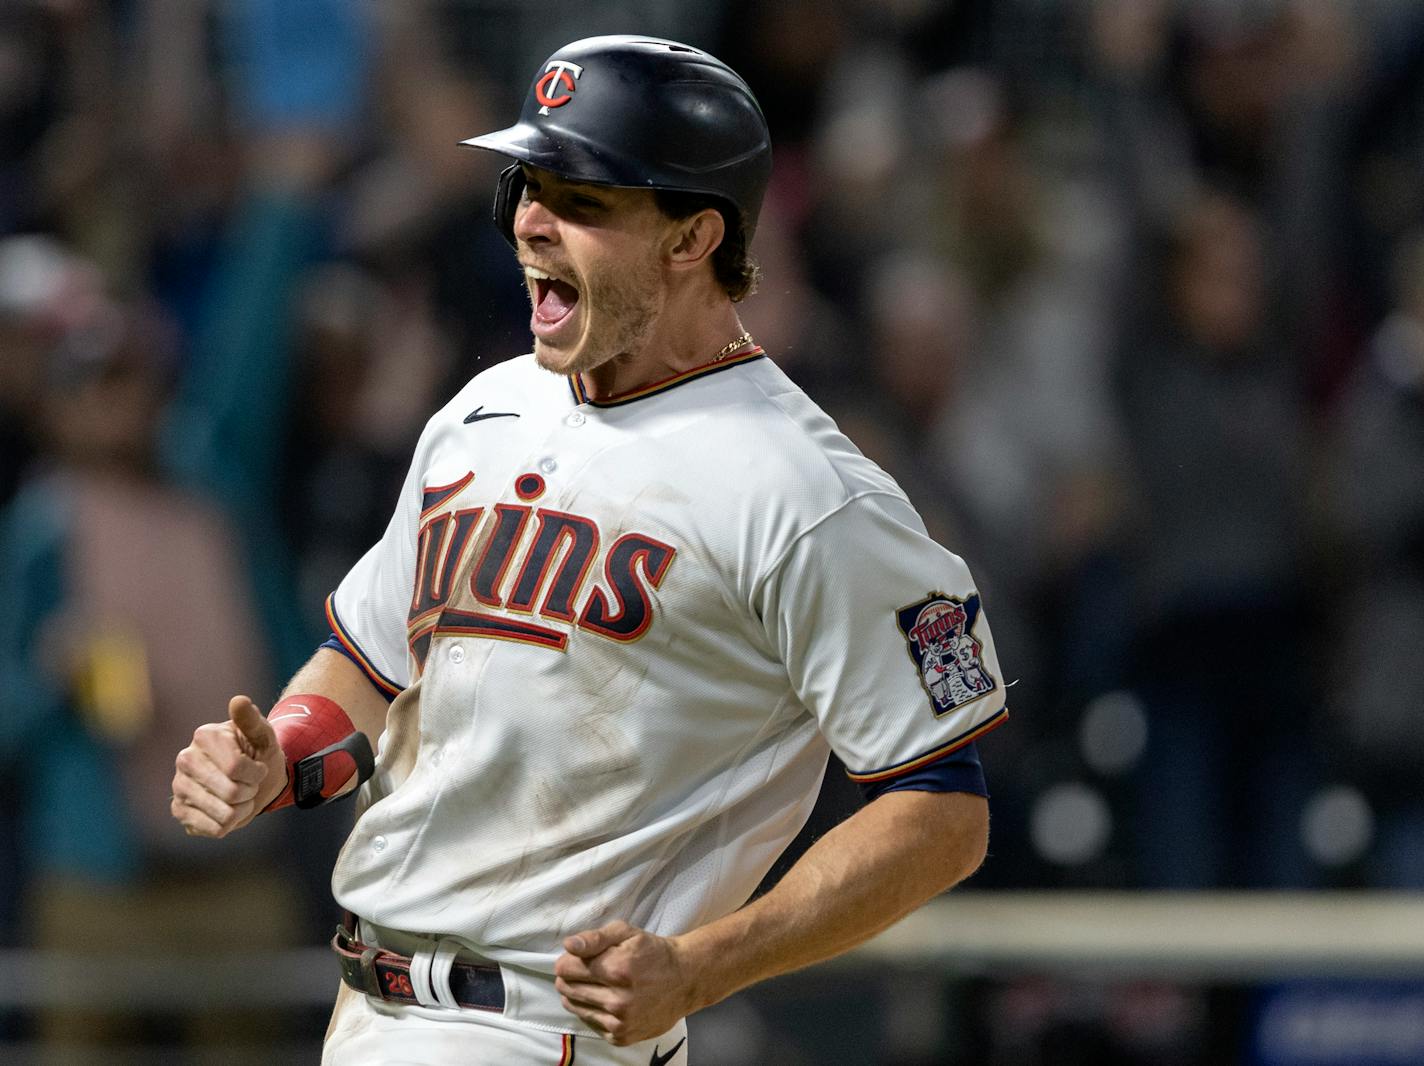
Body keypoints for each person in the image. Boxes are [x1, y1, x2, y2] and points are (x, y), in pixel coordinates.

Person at [171, 36, 1007, 1065]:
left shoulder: (805, 491)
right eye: (530, 183)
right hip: (370, 1006)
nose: (528, 218)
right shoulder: (485, 406)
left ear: (693, 235)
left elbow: (938, 811)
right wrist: (283, 755)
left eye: (583, 199)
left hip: (544, 1026)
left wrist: (704, 963)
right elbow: (372, 664)